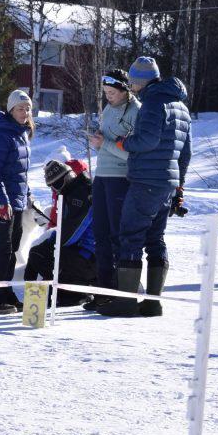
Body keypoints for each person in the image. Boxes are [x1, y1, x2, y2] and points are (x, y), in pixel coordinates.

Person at [99, 56, 191, 318]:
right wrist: (179, 185)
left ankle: (126, 302)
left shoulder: (152, 102)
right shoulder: (180, 106)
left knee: (131, 236)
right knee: (155, 239)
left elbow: (147, 140)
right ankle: (152, 302)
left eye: (133, 82)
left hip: (146, 180)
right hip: (167, 182)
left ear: (139, 82)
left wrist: (123, 143)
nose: (132, 86)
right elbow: (186, 152)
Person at [86, 68, 139, 310]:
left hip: (120, 178)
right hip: (102, 176)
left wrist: (103, 143)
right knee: (100, 234)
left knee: (117, 235)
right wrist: (100, 142)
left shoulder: (136, 111)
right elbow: (107, 144)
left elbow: (132, 153)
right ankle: (102, 290)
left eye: (112, 92)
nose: (108, 97)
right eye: (105, 93)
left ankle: (121, 290)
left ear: (124, 90)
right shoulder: (108, 109)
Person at [0, 89, 34, 314]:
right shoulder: (1, 133)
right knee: (0, 250)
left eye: (27, 109)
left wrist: (27, 194)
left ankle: (5, 292)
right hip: (2, 202)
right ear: (10, 109)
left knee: (12, 249)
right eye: (20, 108)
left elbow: (19, 170)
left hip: (17, 200)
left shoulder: (21, 133)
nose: (25, 113)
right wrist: (2, 201)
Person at [23, 158, 98, 306]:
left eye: (53, 186)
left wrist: (50, 244)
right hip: (83, 251)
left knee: (42, 255)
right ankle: (47, 298)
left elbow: (70, 235)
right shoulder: (76, 190)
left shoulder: (80, 196)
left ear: (60, 182)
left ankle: (71, 292)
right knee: (40, 252)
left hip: (90, 255)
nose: (54, 191)